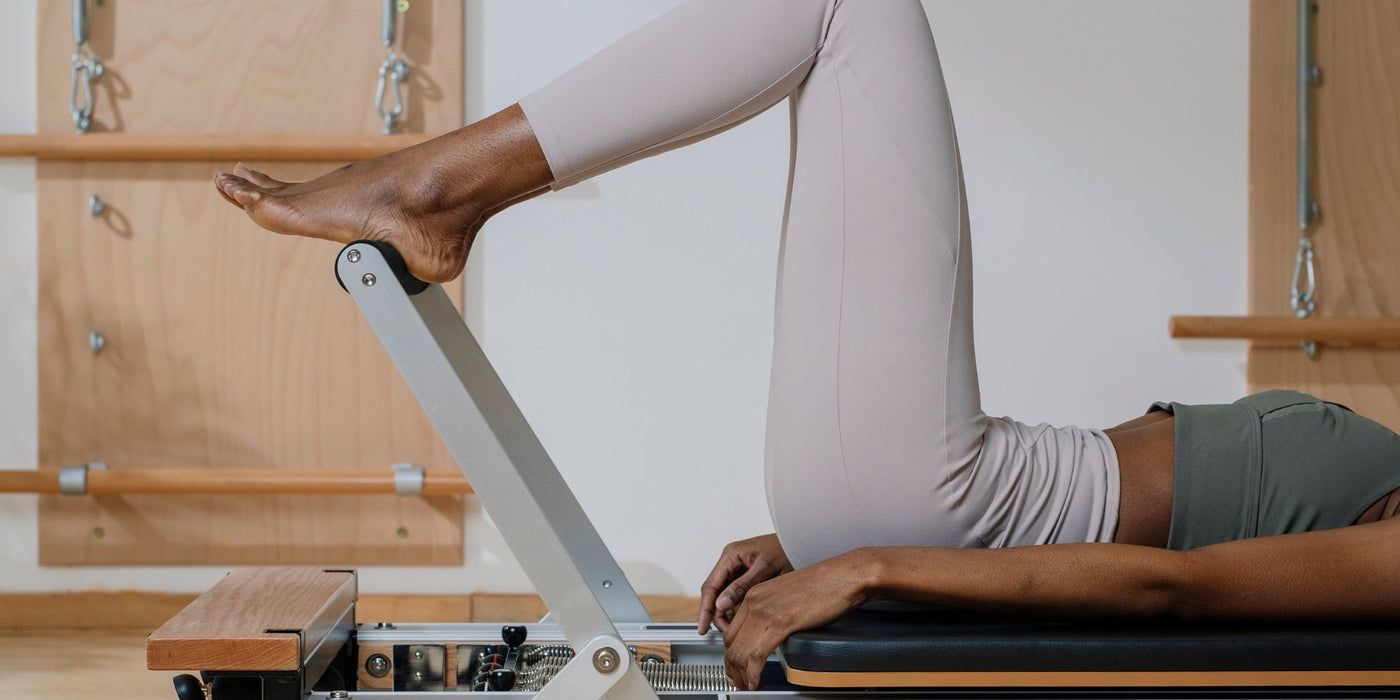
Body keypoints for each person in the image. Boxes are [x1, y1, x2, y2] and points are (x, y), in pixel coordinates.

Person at [214, 0, 1400, 690]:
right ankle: (436, 189)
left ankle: (435, 188)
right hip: (939, 493)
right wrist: (812, 540)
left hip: (936, 509)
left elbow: (1170, 587)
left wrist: (867, 562)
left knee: (843, 2)